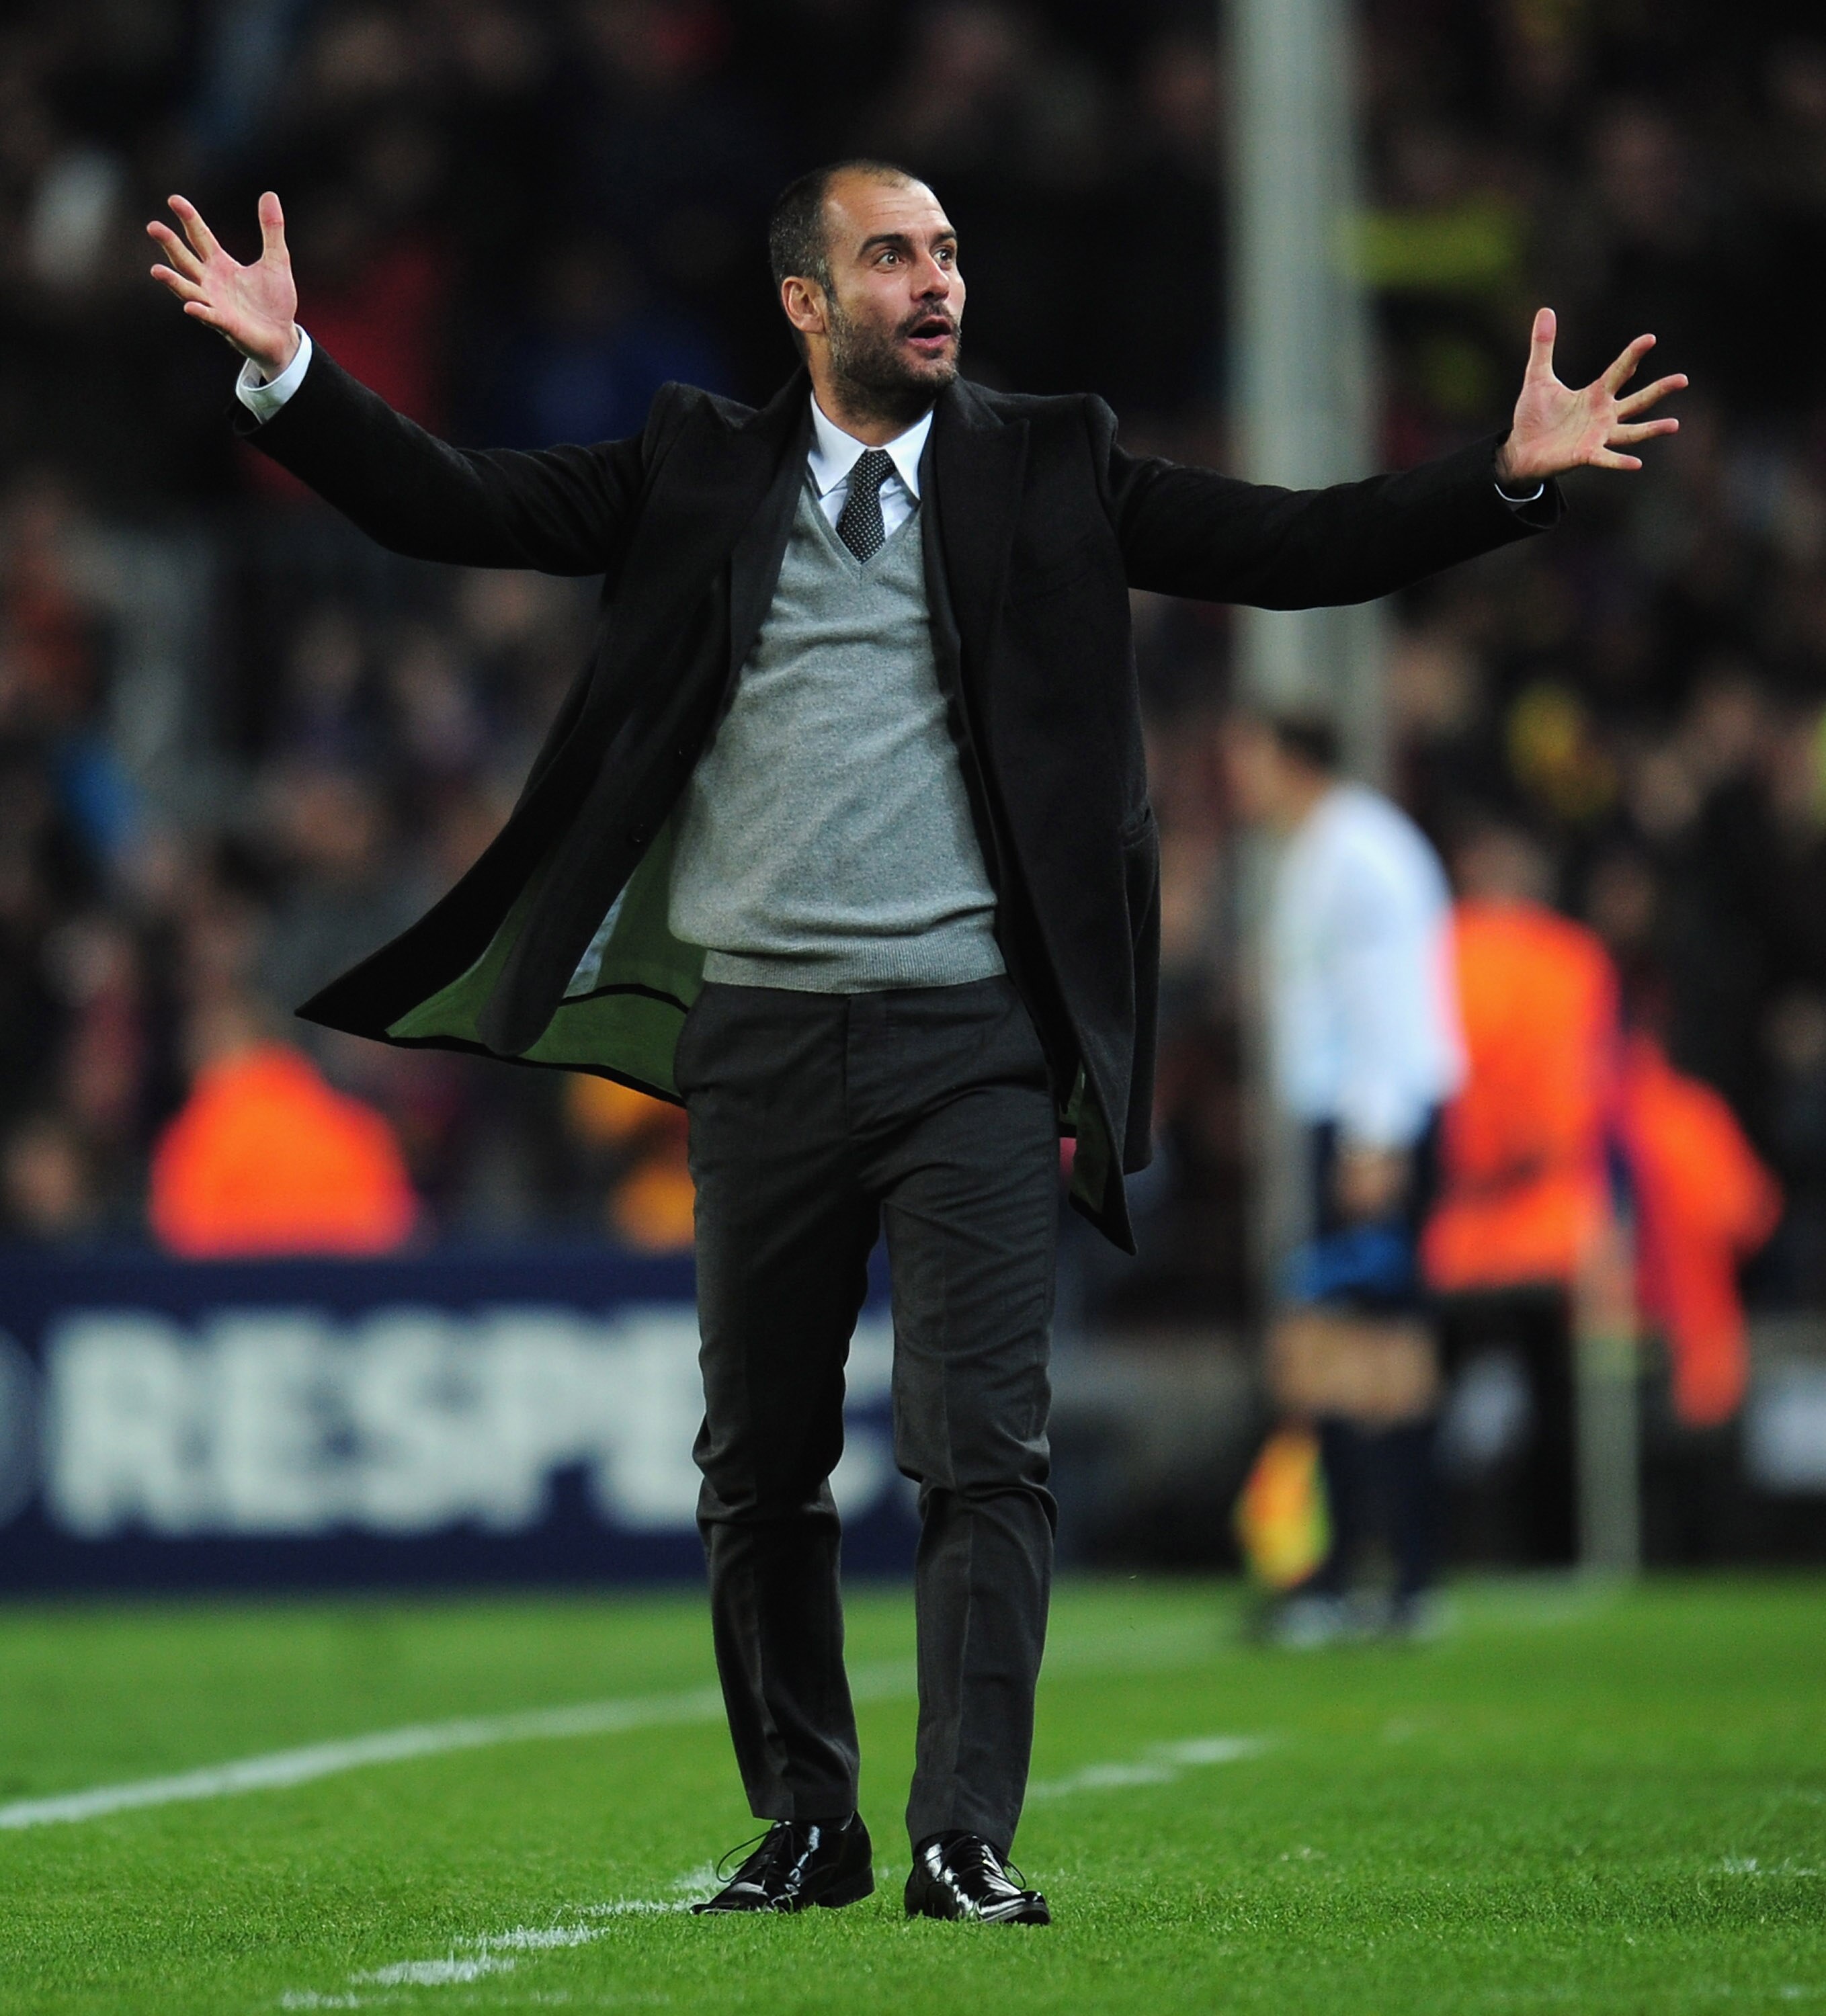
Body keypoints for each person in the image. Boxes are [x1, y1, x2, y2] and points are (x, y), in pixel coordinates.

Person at [147, 159, 1683, 1922]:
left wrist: (1498, 481)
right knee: (757, 1465)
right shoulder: (693, 463)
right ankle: (808, 1820)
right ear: (804, 301)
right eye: (891, 257)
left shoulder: (1052, 461)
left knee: (982, 1451)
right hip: (759, 1040)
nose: (936, 281)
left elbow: (1288, 547)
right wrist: (290, 373)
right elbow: (457, 506)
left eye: (947, 252)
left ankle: (964, 1835)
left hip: (971, 1041)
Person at [1227, 714, 1463, 1639]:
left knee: (1377, 1357)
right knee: (1335, 1352)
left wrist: (1373, 1136)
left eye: (1246, 759)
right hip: (1357, 1123)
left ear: (1290, 760)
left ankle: (1395, 1574)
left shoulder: (1357, 854)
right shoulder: (1326, 850)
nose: (1234, 780)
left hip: (1374, 1129)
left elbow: (1386, 1005)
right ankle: (1353, 1573)